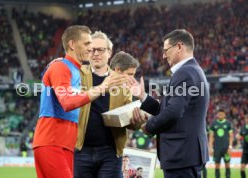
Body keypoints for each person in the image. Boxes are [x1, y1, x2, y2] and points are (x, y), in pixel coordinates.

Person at [32, 26, 126, 178]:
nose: (91, 49)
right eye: (87, 44)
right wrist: (101, 88)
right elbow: (67, 102)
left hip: (66, 145)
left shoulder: (74, 70)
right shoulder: (60, 67)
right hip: (52, 142)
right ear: (72, 44)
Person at [130, 29, 210, 178]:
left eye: (166, 50)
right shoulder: (192, 71)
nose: (163, 55)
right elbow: (168, 108)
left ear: (179, 47)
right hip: (186, 154)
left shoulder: (185, 73)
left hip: (182, 154)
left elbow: (173, 112)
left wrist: (148, 127)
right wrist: (143, 96)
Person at [74, 31, 144, 178]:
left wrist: (136, 121)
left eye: (101, 49)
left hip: (111, 153)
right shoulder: (76, 75)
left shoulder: (120, 80)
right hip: (81, 151)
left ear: (109, 52)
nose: (96, 54)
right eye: (92, 50)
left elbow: (128, 119)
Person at [209, 110, 233, 178]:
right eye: (219, 114)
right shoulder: (213, 123)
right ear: (217, 115)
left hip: (226, 148)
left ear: (224, 115)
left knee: (227, 164)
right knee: (217, 165)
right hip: (217, 148)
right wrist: (210, 148)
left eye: (222, 114)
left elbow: (231, 136)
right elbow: (211, 136)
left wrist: (230, 146)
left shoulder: (228, 123)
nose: (220, 116)